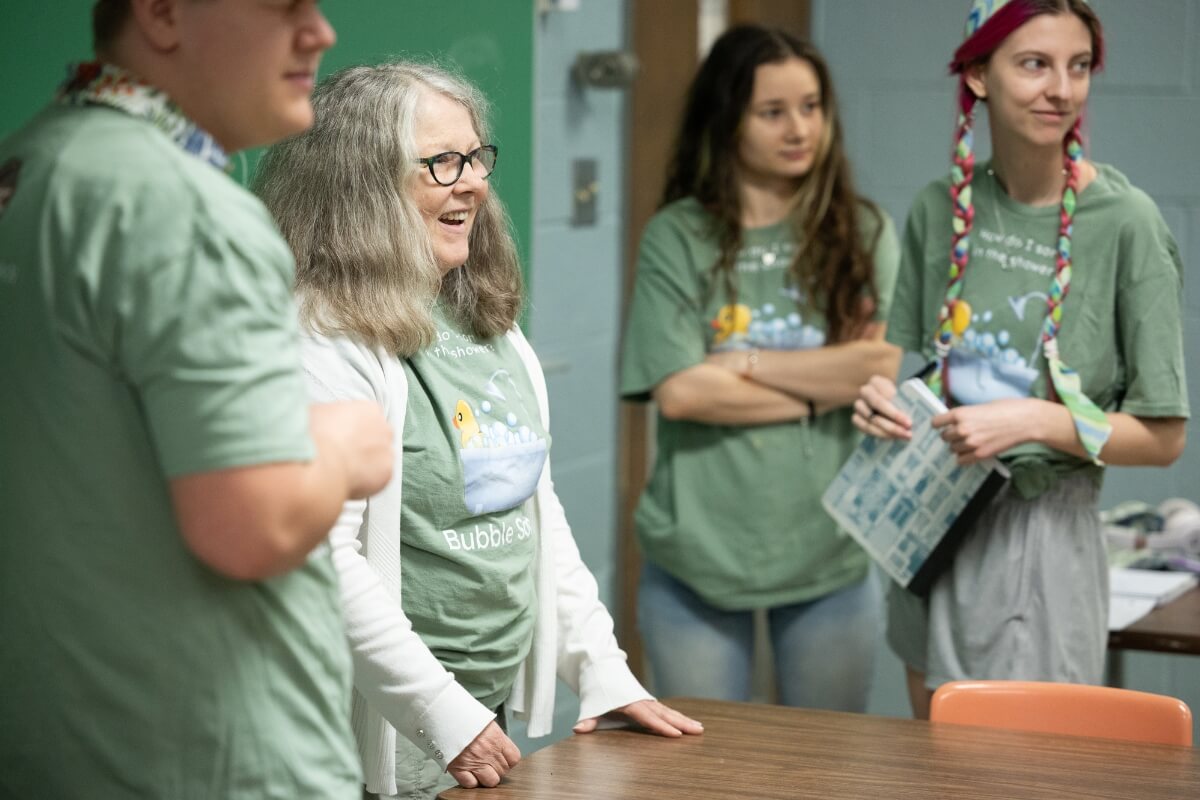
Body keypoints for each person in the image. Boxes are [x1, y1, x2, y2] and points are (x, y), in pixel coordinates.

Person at [254, 61, 703, 800]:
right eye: (441, 163)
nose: (472, 182)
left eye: (474, 157)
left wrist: (600, 671)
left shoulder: (475, 316)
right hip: (360, 729)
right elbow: (319, 560)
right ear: (362, 184)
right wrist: (441, 712)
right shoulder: (319, 339)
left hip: (469, 715)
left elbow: (532, 507)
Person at [0, 1, 396, 797]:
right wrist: (349, 443)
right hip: (217, 760)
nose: (320, 32)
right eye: (285, 5)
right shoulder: (186, 211)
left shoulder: (29, 168)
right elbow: (255, 526)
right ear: (163, 12)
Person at [854, 0, 1189, 719]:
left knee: (1023, 772)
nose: (1061, 90)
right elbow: (922, 376)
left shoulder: (1127, 226)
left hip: (1044, 532)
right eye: (1035, 64)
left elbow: (1164, 438)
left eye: (1078, 67)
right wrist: (882, 403)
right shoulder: (938, 209)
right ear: (977, 73)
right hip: (933, 520)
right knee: (937, 758)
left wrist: (1038, 419)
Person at [619, 25, 901, 710]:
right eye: (773, 112)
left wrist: (742, 361)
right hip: (697, 559)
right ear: (729, 119)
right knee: (708, 775)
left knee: (824, 772)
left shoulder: (863, 232)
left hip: (828, 555)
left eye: (812, 107)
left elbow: (877, 366)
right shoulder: (679, 234)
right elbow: (682, 392)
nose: (799, 128)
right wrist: (820, 389)